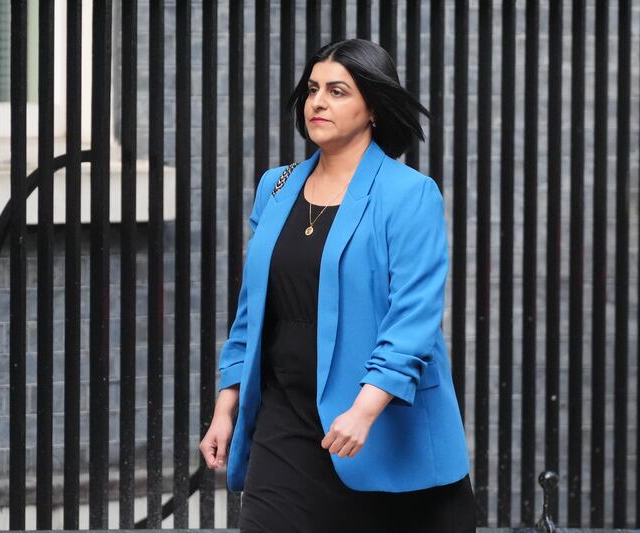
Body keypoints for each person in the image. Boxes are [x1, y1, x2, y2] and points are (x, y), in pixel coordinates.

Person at [199, 38, 474, 533]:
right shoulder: (276, 187)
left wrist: (365, 409)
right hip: (286, 421)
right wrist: (227, 406)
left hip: (377, 429)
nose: (318, 102)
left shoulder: (409, 195)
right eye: (312, 90)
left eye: (338, 91)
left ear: (372, 107)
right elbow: (254, 310)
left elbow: (413, 319)